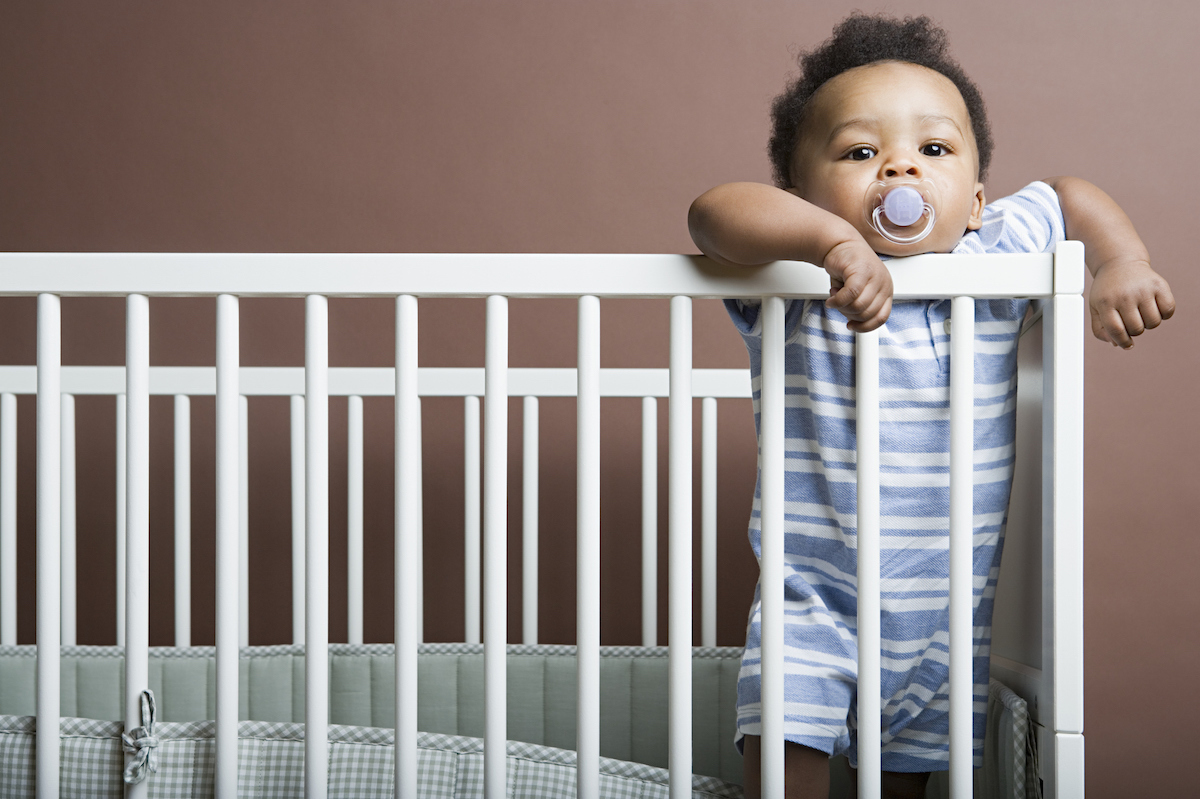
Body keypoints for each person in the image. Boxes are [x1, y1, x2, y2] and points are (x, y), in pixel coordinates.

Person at [687, 13, 1174, 799]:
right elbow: (712, 212)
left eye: (934, 150)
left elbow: (1070, 196)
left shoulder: (993, 260)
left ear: (978, 201)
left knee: (916, 772)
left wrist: (1123, 261)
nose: (900, 170)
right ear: (806, 197)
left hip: (947, 614)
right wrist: (830, 246)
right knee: (784, 753)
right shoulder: (806, 284)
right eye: (860, 152)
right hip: (814, 601)